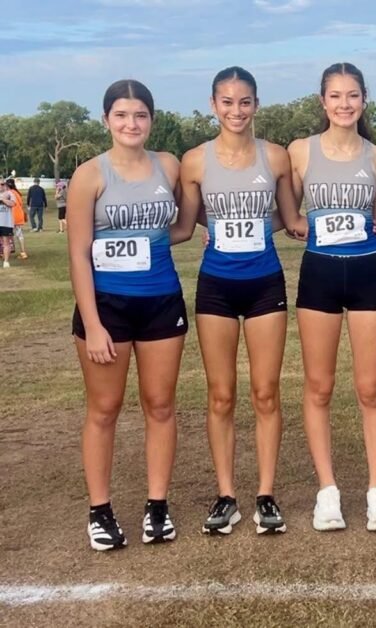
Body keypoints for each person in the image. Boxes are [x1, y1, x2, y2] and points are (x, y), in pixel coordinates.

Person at [178, 66, 307, 536]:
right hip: (215, 285)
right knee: (221, 394)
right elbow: (184, 227)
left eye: (245, 101)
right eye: (227, 102)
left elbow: (290, 219)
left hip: (265, 284)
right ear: (214, 104)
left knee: (266, 392)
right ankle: (226, 494)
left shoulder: (274, 158)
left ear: (256, 105)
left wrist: (348, 223)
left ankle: (266, 495)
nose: (237, 110)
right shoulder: (194, 161)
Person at [287, 62, 376, 532]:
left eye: (352, 95)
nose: (344, 104)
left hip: (368, 276)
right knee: (319, 387)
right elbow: (284, 210)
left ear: (364, 100)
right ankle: (327, 493)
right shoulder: (300, 151)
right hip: (319, 276)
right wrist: (234, 232)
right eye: (336, 96)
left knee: (370, 388)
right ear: (323, 102)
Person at [68, 79, 191, 551]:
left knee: (160, 406)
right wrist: (93, 322)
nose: (131, 124)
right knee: (104, 409)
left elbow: (178, 225)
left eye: (140, 115)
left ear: (151, 120)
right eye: (121, 115)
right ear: (106, 120)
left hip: (161, 300)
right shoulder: (89, 175)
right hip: (107, 307)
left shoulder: (169, 166)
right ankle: (100, 511)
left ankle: (156, 507)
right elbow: (79, 254)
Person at [5, 179, 29, 259]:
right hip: (19, 215)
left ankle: (7, 251)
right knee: (19, 235)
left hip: (12, 216)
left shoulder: (9, 193)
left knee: (6, 234)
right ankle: (22, 252)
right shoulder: (17, 193)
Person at [0, 180, 14, 268]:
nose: (1, 186)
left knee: (6, 242)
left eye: (2, 184)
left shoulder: (9, 193)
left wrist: (2, 199)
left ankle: (6, 261)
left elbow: (12, 204)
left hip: (6, 222)